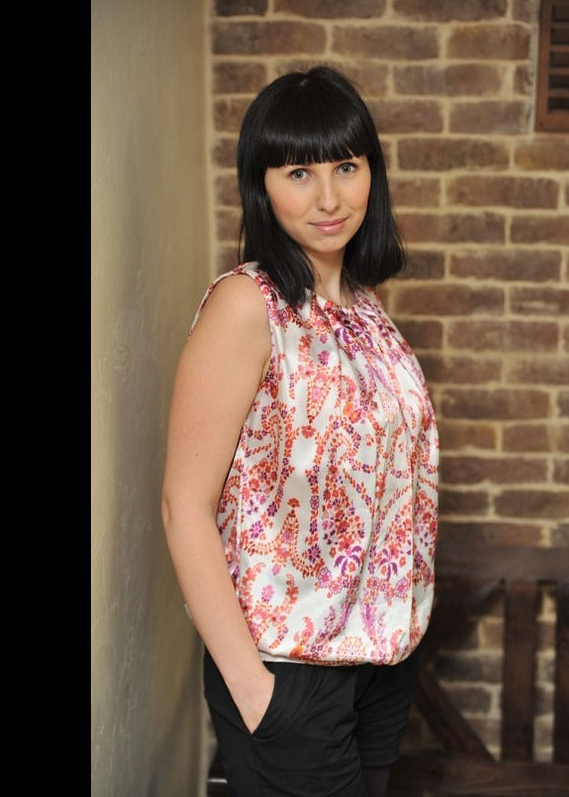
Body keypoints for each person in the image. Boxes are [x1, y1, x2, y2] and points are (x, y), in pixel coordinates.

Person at [161, 65, 439, 797]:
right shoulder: (246, 305)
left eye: (346, 167)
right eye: (298, 173)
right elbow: (184, 507)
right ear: (262, 185)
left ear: (372, 173)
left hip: (381, 659)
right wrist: (255, 690)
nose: (328, 198)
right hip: (286, 668)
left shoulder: (365, 309)